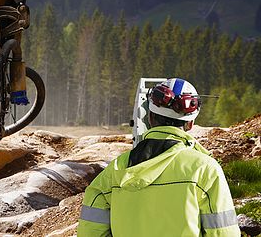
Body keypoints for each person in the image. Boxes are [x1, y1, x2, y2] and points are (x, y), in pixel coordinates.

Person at [78, 78, 240, 237]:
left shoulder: (114, 170)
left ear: (150, 117)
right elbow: (223, 233)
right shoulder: (205, 169)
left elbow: (89, 232)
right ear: (190, 124)